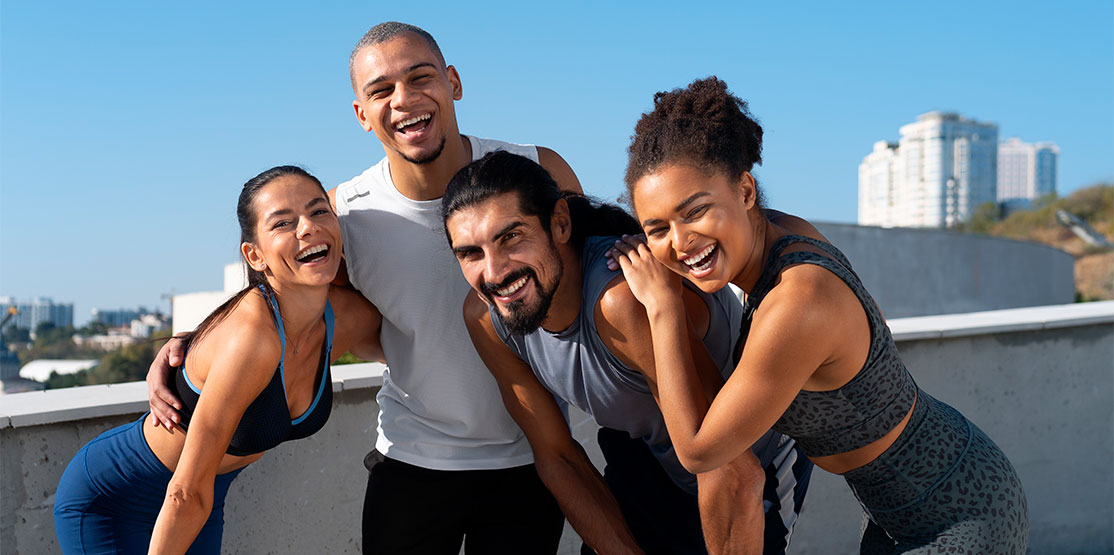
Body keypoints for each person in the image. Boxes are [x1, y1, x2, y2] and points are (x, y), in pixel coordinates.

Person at [147, 22, 582, 554]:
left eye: (420, 78)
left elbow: (593, 286)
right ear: (361, 113)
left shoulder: (539, 172)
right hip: (413, 461)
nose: (403, 100)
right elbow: (281, 303)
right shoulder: (342, 215)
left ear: (453, 82)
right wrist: (191, 344)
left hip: (533, 458)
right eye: (381, 90)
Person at [609, 77, 1030, 553]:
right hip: (900, 500)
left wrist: (664, 308)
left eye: (696, 211)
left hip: (958, 509)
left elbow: (699, 450)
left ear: (745, 190)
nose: (680, 241)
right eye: (657, 229)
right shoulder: (786, 232)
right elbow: (875, 322)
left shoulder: (799, 299)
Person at [440, 151, 814, 554]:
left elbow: (733, 471)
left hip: (750, 458)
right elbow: (558, 457)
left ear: (560, 223)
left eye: (511, 238)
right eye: (471, 253)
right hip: (646, 457)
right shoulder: (487, 317)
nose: (494, 272)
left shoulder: (620, 301)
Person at [55, 166, 384, 554]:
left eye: (318, 211)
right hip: (117, 496)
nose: (307, 227)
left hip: (206, 494)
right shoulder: (251, 337)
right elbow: (184, 492)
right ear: (255, 255)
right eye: (283, 222)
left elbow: (417, 350)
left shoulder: (346, 318)